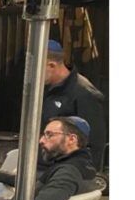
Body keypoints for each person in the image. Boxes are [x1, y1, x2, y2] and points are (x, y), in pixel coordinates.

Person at [41, 40, 106, 169]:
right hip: (42, 164)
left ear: (52, 65)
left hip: (63, 171)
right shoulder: (43, 88)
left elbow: (95, 145)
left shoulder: (85, 93)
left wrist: (77, 175)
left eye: (36, 68)